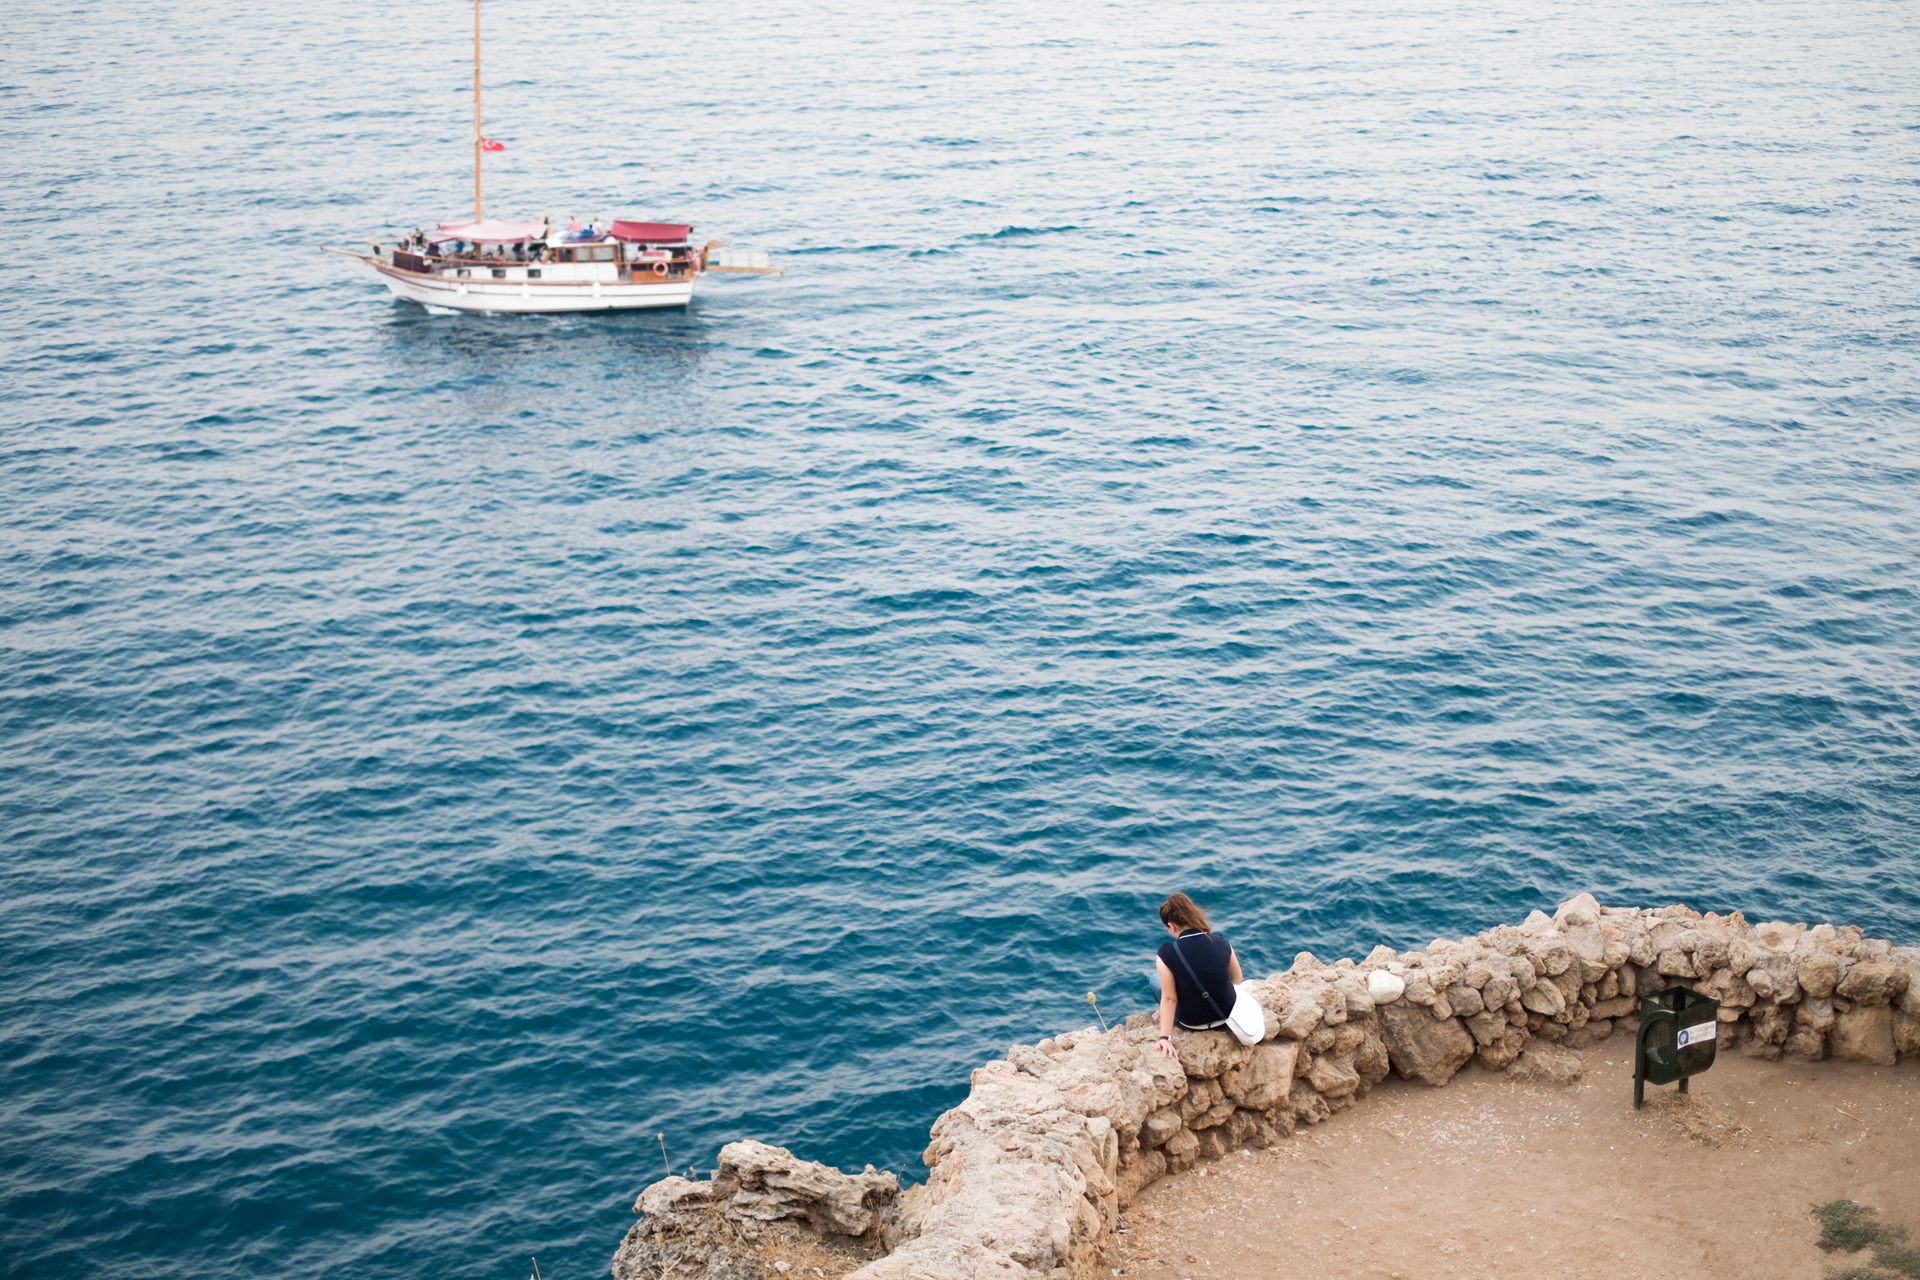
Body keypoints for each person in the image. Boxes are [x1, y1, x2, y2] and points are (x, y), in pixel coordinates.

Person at [1149, 892, 1241, 1060]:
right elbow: (1237, 978)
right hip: (1226, 1014)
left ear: (1171, 926)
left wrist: (1165, 1038)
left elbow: (1170, 999)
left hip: (1192, 1022)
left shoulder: (1166, 953)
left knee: (1155, 980)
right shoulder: (1221, 941)